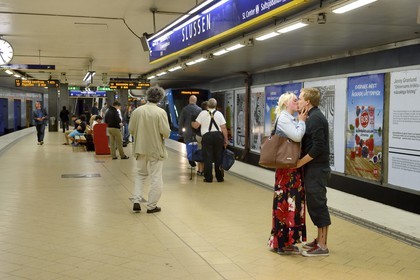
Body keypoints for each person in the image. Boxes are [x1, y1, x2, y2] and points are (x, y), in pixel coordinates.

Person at [267, 92, 308, 255]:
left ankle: (287, 241)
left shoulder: (288, 118)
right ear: (285, 104)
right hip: (287, 170)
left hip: (291, 168)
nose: (297, 102)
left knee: (292, 204)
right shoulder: (284, 118)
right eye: (294, 100)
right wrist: (302, 122)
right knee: (285, 204)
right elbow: (297, 136)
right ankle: (280, 243)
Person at [296, 87, 331, 257]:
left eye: (300, 98)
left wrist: (300, 162)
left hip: (317, 169)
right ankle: (319, 240)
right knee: (314, 204)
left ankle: (323, 245)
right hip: (313, 169)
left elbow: (319, 146)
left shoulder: (316, 118)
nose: (298, 100)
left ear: (308, 101)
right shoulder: (311, 116)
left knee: (318, 205)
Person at [129, 86, 171, 213]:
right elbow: (166, 133)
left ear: (147, 96)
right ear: (160, 98)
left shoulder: (137, 111)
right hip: (156, 150)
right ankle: (151, 206)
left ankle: (136, 200)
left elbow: (131, 129)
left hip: (140, 148)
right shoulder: (160, 112)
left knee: (140, 175)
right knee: (156, 177)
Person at [192, 98, 228, 183]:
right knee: (218, 157)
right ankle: (219, 177)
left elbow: (196, 126)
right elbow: (223, 128)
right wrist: (225, 140)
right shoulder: (219, 114)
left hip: (207, 137)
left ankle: (208, 178)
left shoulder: (202, 113)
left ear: (207, 105)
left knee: (207, 157)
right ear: (215, 106)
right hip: (218, 136)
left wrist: (191, 123)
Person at [178, 95, 202, 167]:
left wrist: (180, 132)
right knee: (196, 145)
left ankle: (190, 158)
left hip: (187, 132)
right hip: (197, 132)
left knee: (189, 145)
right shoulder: (200, 109)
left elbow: (181, 121)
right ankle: (195, 157)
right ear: (196, 101)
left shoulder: (185, 109)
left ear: (189, 100)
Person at [195, 101, 208, 175]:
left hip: (199, 136)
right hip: (206, 136)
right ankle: (204, 170)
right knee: (206, 153)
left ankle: (200, 169)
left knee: (200, 152)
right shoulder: (209, 114)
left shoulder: (199, 114)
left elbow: (196, 126)